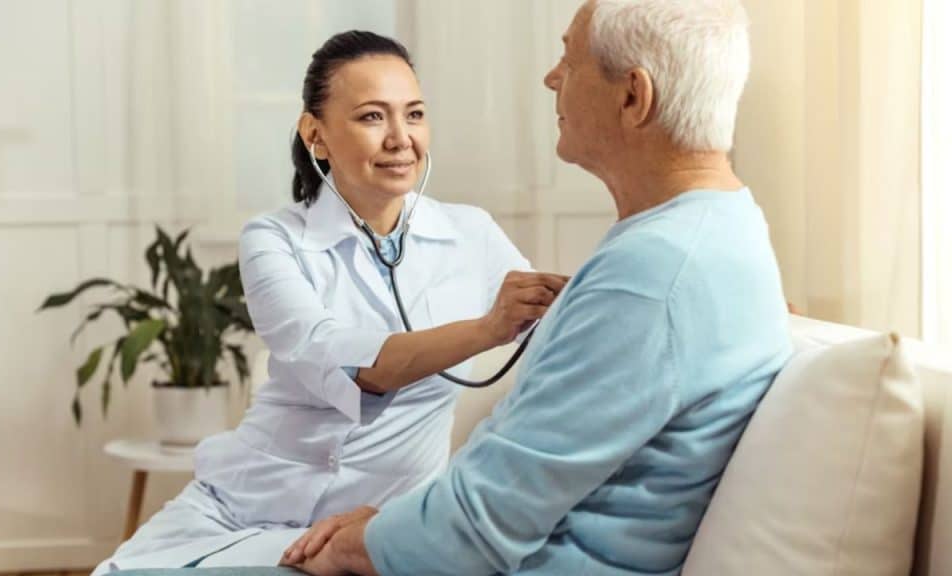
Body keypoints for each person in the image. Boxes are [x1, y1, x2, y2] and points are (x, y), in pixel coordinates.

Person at [281, 1, 792, 574]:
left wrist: (350, 546)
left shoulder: (656, 274)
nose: (551, 78)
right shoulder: (712, 232)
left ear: (633, 97)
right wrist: (387, 526)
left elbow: (473, 530)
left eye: (569, 61)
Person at [92, 30, 568, 574]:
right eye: (372, 117)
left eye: (414, 115)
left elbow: (561, 336)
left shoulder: (471, 234)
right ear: (316, 136)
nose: (401, 139)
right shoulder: (273, 239)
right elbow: (351, 365)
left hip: (377, 523)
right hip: (244, 508)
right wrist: (487, 329)